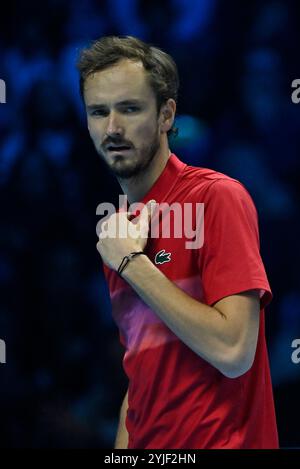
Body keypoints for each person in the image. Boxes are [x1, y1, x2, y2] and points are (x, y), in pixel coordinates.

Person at [77, 35, 279, 449]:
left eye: (130, 108)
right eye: (99, 112)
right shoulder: (120, 232)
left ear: (166, 114)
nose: (112, 127)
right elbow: (144, 376)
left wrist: (133, 264)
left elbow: (234, 351)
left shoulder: (216, 197)